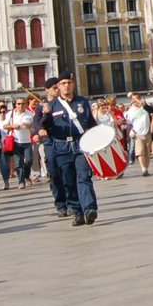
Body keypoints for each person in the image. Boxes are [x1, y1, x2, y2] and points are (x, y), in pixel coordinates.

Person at [35, 74, 100, 226]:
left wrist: (97, 140)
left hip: (81, 144)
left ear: (73, 85)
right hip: (61, 146)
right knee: (68, 180)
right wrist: (45, 116)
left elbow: (91, 123)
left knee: (84, 176)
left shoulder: (82, 102)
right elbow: (43, 125)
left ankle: (89, 208)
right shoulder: (52, 105)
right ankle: (77, 211)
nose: (66, 86)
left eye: (69, 83)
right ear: (58, 86)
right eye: (63, 83)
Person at [125, 94, 153, 175]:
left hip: (147, 132)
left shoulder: (145, 107)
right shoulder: (131, 110)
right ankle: (143, 169)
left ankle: (146, 168)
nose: (134, 101)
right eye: (133, 99)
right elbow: (129, 122)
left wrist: (142, 104)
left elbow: (152, 111)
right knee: (140, 151)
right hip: (137, 133)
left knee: (147, 152)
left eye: (136, 98)